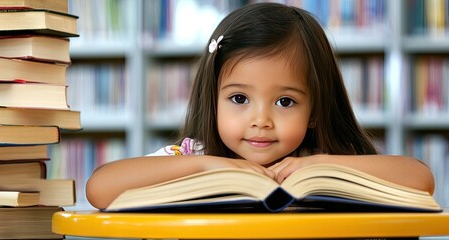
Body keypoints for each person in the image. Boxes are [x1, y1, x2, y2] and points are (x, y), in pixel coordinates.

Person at [86, 2, 435, 209]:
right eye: (239, 99)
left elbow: (421, 179)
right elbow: (100, 189)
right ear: (214, 99)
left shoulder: (327, 160)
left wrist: (320, 163)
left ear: (314, 111)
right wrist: (206, 167)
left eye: (285, 101)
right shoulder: (195, 154)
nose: (261, 120)